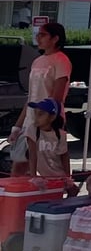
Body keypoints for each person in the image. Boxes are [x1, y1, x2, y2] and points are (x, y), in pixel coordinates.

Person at [11, 22, 71, 177]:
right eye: (38, 34)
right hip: (31, 120)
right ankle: (22, 200)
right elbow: (32, 96)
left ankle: (59, 193)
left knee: (51, 167)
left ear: (55, 38)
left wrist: (46, 120)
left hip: (48, 121)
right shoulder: (37, 61)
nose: (38, 37)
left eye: (43, 35)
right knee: (19, 166)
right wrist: (17, 126)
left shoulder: (61, 61)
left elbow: (56, 96)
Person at [24, 98, 70, 180]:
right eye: (35, 113)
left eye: (41, 114)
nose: (36, 117)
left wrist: (67, 177)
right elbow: (32, 155)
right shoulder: (33, 130)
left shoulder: (60, 134)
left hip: (59, 175)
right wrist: (33, 176)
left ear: (52, 117)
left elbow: (65, 157)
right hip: (41, 177)